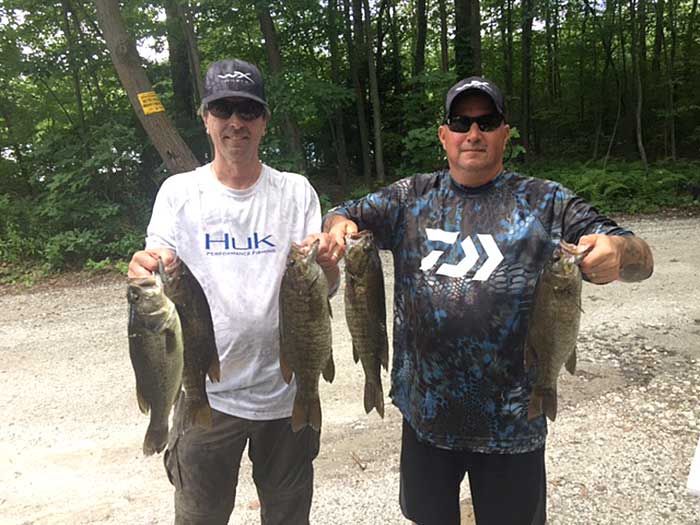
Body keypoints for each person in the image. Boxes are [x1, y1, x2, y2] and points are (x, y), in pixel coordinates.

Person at [324, 76, 654, 525]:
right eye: (461, 122)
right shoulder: (410, 197)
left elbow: (642, 258)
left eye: (487, 121)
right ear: (444, 134)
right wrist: (338, 225)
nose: (473, 133)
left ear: (505, 131)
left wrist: (621, 252)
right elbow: (343, 213)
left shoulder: (545, 201)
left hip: (515, 420)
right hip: (427, 415)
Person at [128, 58, 342, 525]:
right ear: (205, 119)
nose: (235, 123)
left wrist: (328, 266)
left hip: (285, 393)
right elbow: (156, 275)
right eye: (223, 109)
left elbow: (320, 290)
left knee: (288, 517)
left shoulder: (295, 192)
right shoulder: (178, 193)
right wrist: (142, 270)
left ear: (263, 121)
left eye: (247, 111)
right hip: (206, 390)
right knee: (200, 517)